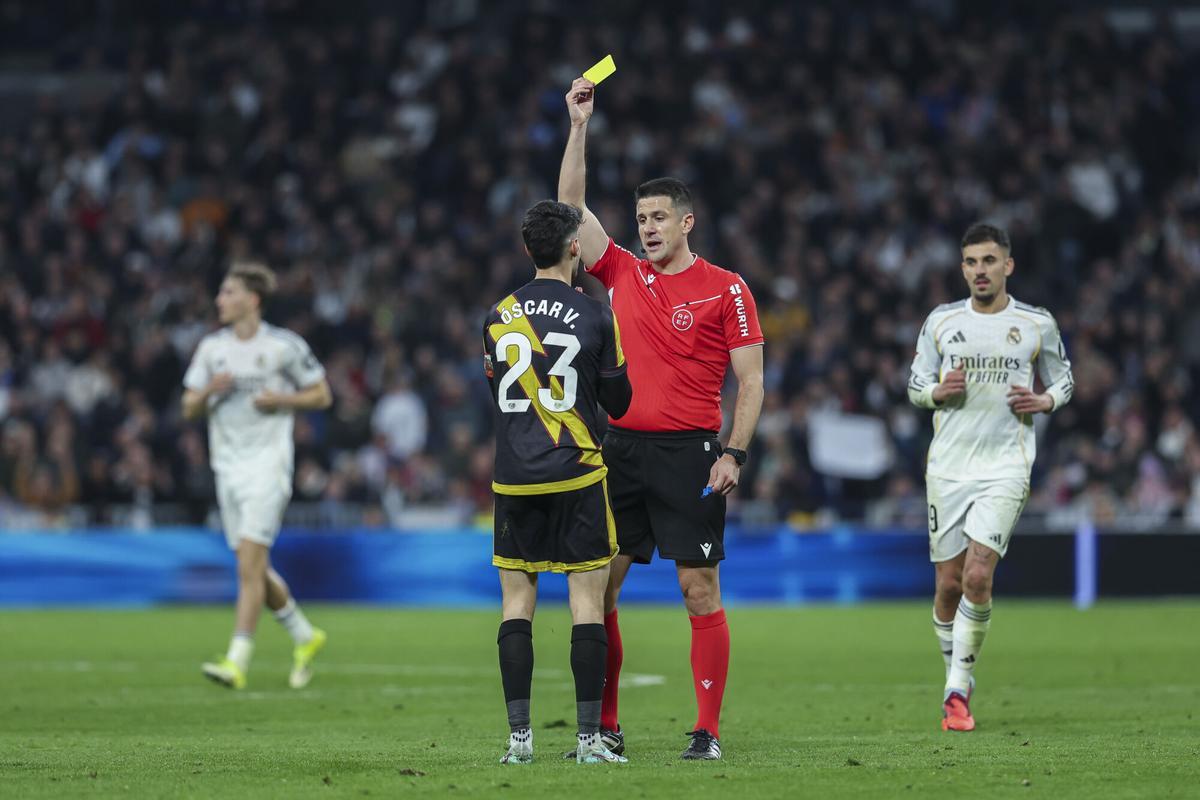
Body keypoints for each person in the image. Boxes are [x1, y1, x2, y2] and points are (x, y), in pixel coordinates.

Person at [558, 77, 766, 760]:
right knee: (601, 584)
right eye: (640, 218)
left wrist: (733, 452)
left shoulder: (727, 289)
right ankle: (607, 726)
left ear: (686, 222)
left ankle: (706, 731)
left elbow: (751, 381)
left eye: (657, 218)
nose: (646, 228)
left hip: (690, 454)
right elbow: (569, 210)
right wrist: (579, 126)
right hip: (619, 452)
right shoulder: (619, 271)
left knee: (696, 585)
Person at [908, 223, 1074, 731]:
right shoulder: (941, 322)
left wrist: (1044, 400)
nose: (980, 270)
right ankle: (956, 672)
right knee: (949, 586)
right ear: (963, 269)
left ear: (1008, 265)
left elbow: (1064, 376)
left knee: (979, 574)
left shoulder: (1035, 323)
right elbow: (916, 384)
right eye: (971, 262)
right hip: (949, 467)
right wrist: (938, 392)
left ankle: (956, 689)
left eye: (989, 261)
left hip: (1006, 464)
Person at [484, 200, 633, 765]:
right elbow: (619, 402)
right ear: (576, 247)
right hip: (576, 472)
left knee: (516, 603)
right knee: (586, 602)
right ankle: (590, 740)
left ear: (527, 250)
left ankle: (520, 741)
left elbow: (496, 391)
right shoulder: (597, 315)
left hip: (514, 477)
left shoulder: (498, 315)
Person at [182, 263, 333, 690]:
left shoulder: (283, 346)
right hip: (225, 468)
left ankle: (237, 659)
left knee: (248, 566)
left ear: (252, 299)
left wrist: (282, 399)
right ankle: (304, 634)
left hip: (268, 465)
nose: (219, 300)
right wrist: (211, 390)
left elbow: (323, 394)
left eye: (227, 292)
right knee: (254, 567)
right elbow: (186, 407)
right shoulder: (212, 349)